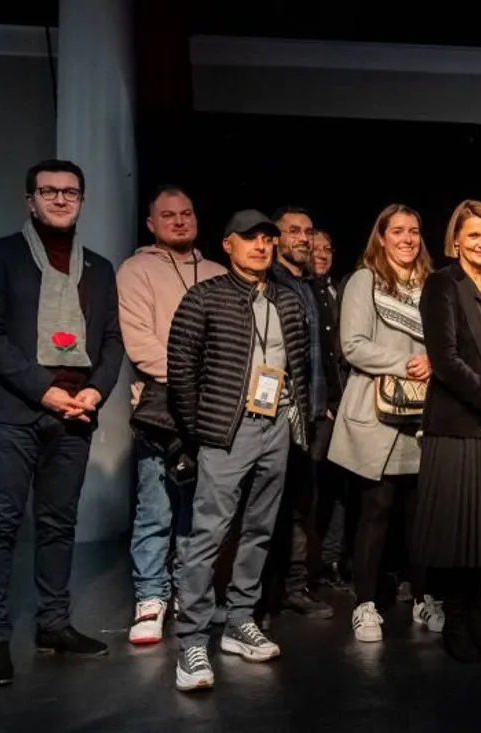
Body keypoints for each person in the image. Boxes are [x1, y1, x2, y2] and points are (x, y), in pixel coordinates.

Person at [0, 159, 124, 686]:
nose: (60, 199)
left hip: (76, 413)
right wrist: (45, 390)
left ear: (82, 200)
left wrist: (95, 391)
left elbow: (112, 340)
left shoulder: (99, 267)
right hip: (12, 411)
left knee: (59, 523)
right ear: (29, 200)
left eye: (70, 192)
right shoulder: (0, 254)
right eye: (49, 191)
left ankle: (53, 625)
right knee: (0, 524)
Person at [169, 209, 311, 691]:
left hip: (276, 425)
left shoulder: (286, 299)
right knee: (208, 534)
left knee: (260, 529)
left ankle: (239, 621)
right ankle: (191, 640)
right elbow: (181, 371)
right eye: (250, 238)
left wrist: (294, 419)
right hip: (227, 431)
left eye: (268, 238)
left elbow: (299, 366)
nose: (261, 245)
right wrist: (203, 428)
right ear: (227, 244)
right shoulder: (204, 296)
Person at [412, 200, 481, 663]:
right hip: (462, 423)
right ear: (456, 240)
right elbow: (445, 359)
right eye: (473, 235)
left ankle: (476, 616)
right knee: (460, 530)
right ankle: (456, 621)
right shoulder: (442, 284)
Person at [117, 185, 227, 646]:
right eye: (168, 215)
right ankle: (150, 596)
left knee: (197, 509)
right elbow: (140, 343)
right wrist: (198, 380)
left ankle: (187, 592)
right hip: (160, 408)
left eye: (186, 213)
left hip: (212, 410)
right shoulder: (136, 269)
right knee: (155, 506)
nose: (179, 221)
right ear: (151, 224)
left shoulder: (219, 272)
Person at [329, 204, 440, 642]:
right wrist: (409, 363)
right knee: (375, 512)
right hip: (378, 412)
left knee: (420, 516)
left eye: (414, 231)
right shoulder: (365, 280)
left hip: (424, 413)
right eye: (397, 231)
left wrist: (435, 362)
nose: (407, 239)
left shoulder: (431, 284)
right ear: (381, 237)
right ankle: (365, 605)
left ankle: (424, 598)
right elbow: (353, 345)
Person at [261, 206, 334, 622]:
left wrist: (325, 402)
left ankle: (294, 587)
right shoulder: (269, 280)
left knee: (302, 503)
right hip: (276, 410)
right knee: (270, 503)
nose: (303, 238)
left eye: (308, 231)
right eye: (294, 231)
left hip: (312, 412)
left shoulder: (310, 285)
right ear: (277, 237)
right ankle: (265, 593)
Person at [310, 229, 352, 590]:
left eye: (328, 249)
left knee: (339, 487)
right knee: (308, 488)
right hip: (315, 408)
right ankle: (305, 566)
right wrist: (320, 403)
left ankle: (332, 558)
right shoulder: (297, 292)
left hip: (343, 405)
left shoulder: (340, 291)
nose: (322, 254)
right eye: (314, 248)